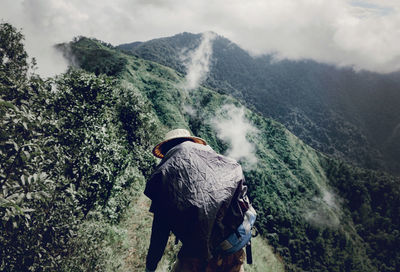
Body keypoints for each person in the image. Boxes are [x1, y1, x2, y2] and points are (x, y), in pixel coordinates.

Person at [144, 129, 249, 272]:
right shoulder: (208, 154)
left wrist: (150, 267)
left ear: (167, 150)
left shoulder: (165, 176)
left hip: (199, 257)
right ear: (190, 141)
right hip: (234, 246)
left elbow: (159, 234)